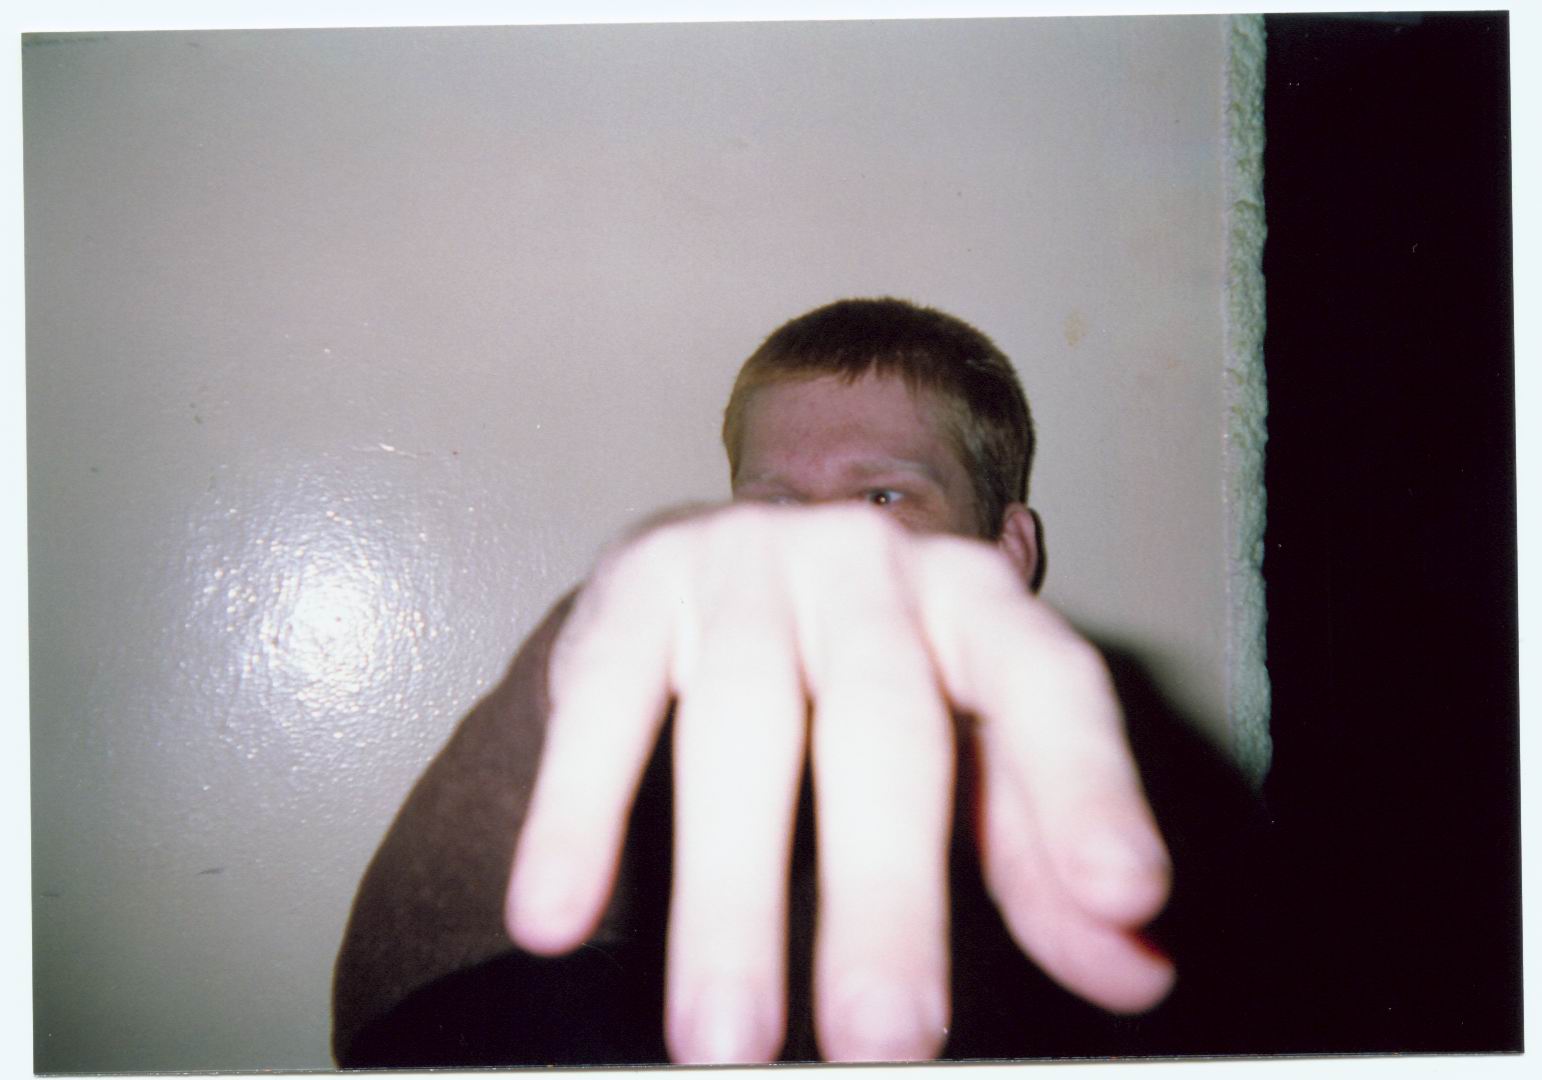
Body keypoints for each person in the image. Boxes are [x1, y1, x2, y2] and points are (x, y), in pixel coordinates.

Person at [332, 298, 1284, 1067]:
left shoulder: (1162, 806)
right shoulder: (664, 763)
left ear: (1007, 549)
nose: (820, 543)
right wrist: (568, 665)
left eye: (884, 495)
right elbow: (412, 1029)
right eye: (777, 502)